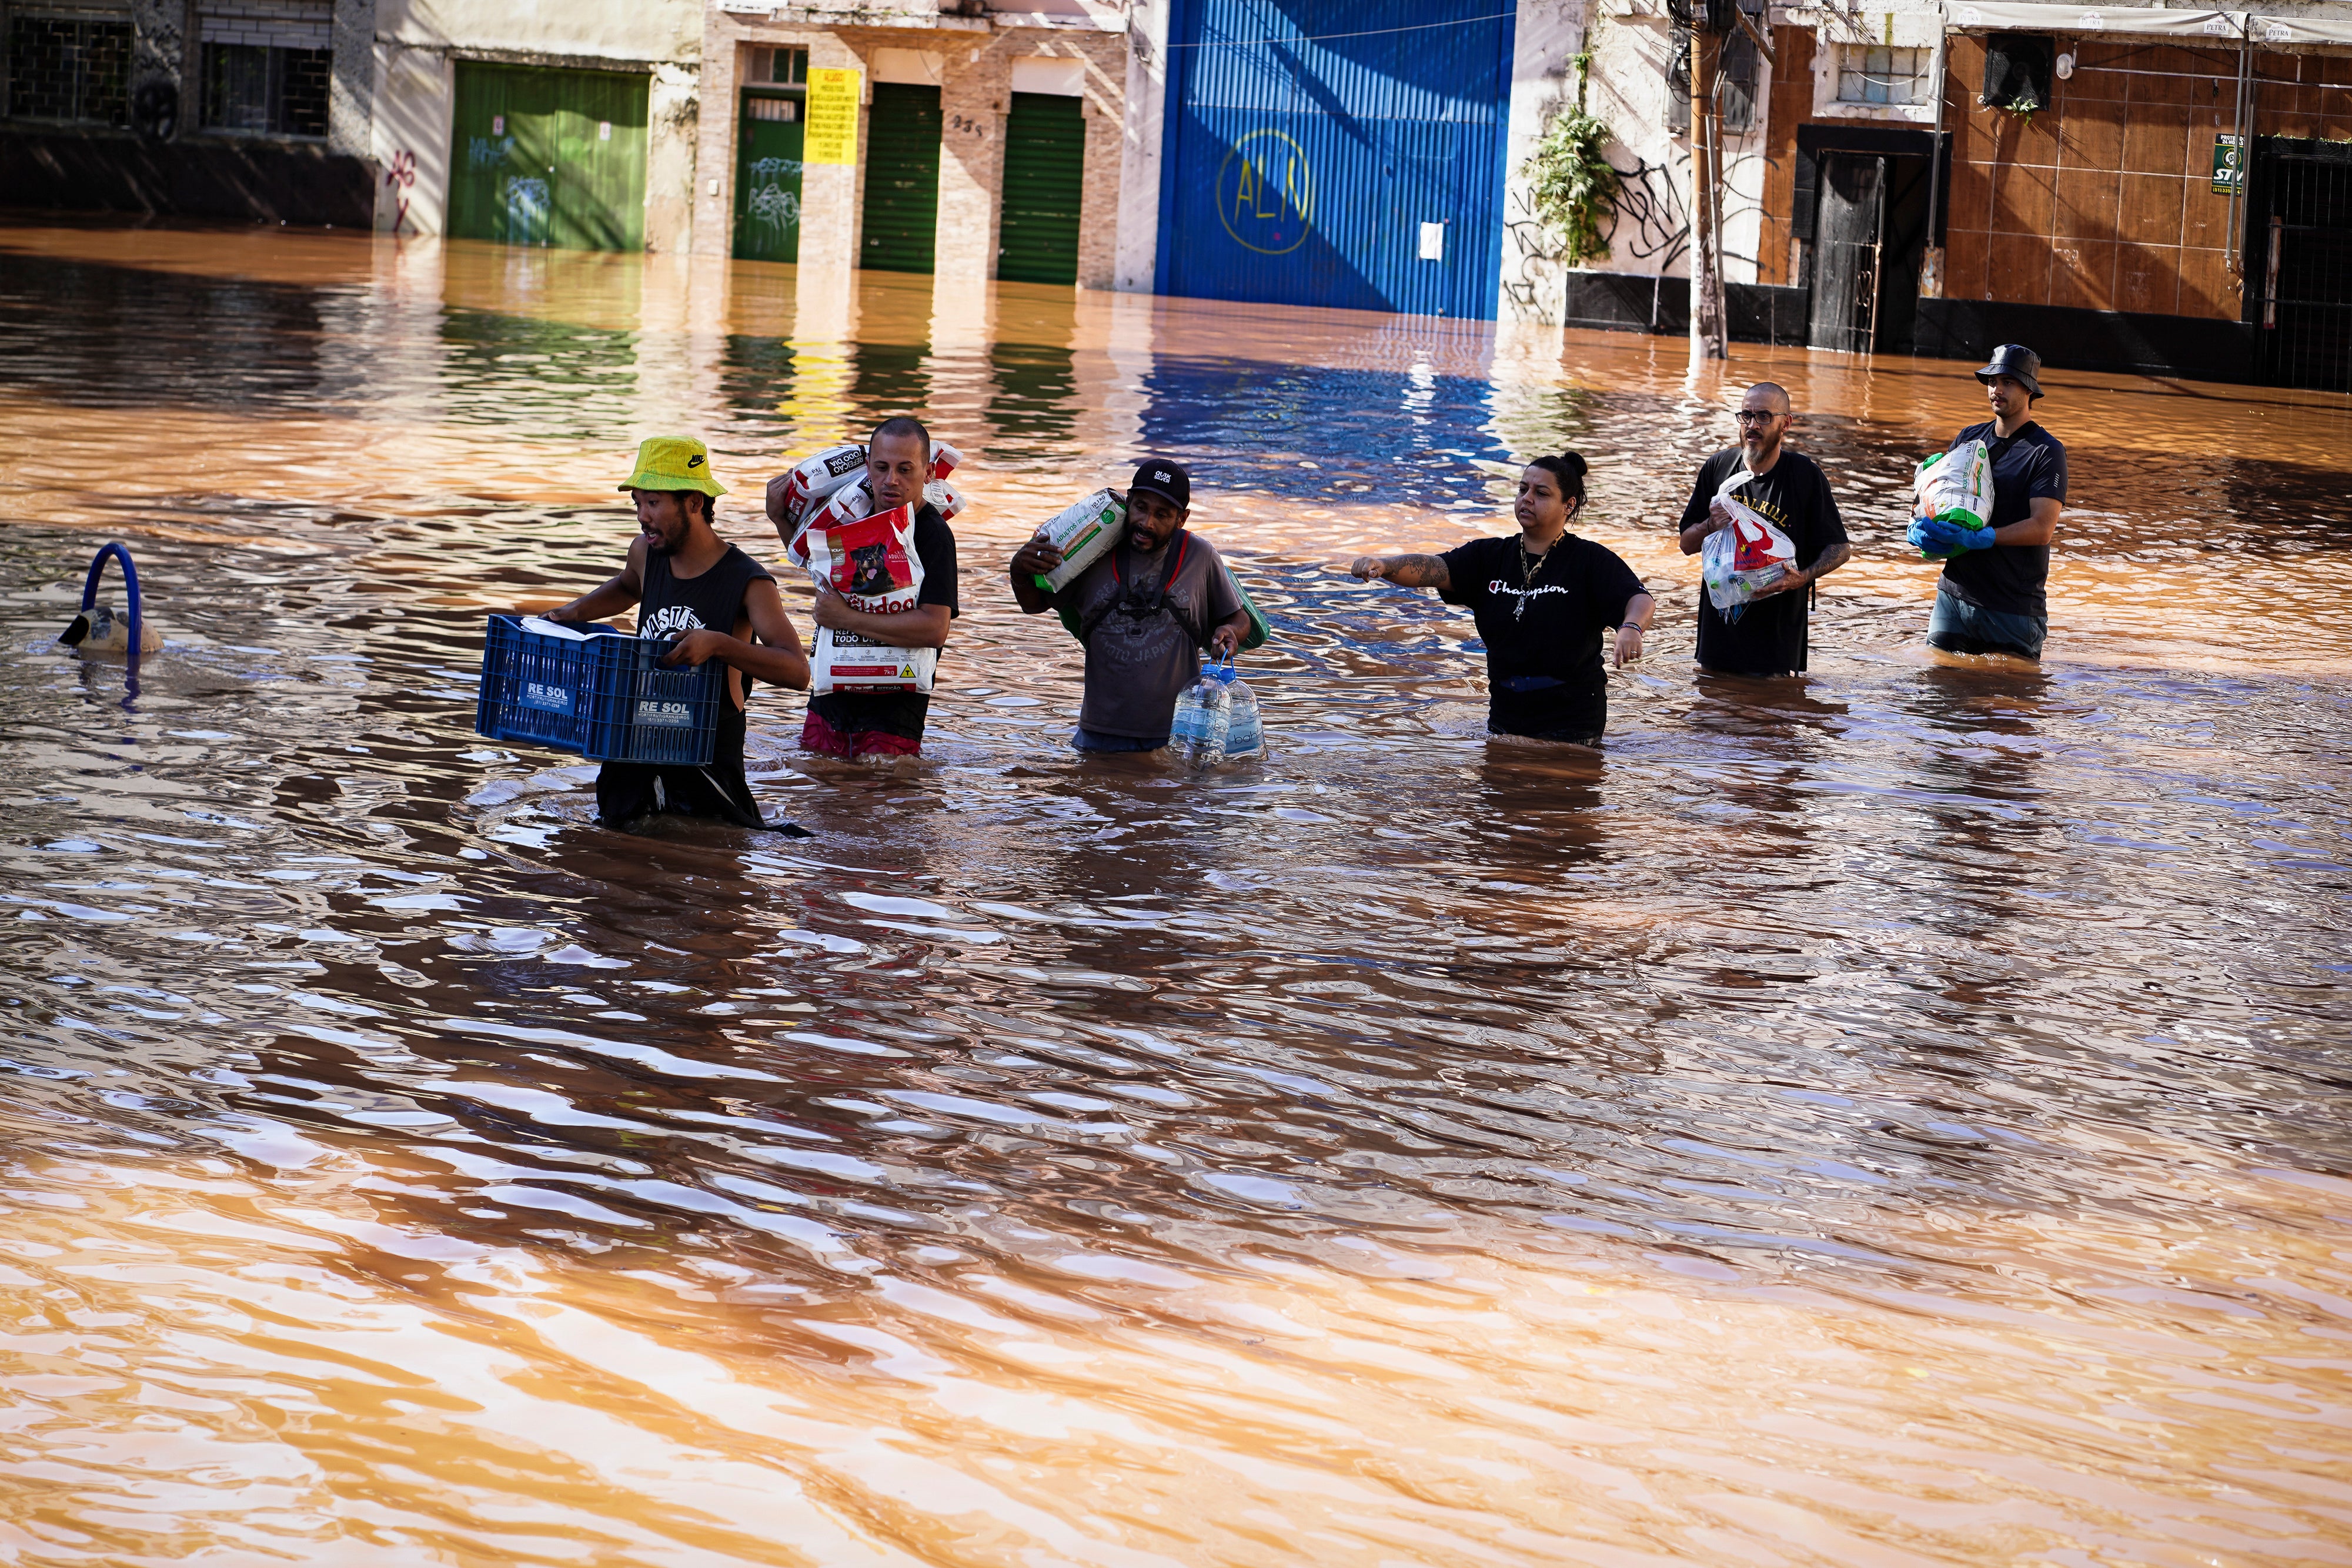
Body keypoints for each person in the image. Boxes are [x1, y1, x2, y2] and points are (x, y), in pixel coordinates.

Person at [543, 437, 810, 830]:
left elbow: (797, 671)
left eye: (653, 502)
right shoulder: (644, 553)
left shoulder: (748, 581)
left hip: (705, 764)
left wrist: (718, 644)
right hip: (636, 743)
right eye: (637, 503)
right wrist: (574, 612)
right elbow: (627, 585)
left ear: (694, 503)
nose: (642, 516)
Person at [1348, 452, 1653, 747]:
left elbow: (1639, 599)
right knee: (1500, 795)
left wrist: (1630, 627)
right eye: (1523, 489)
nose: (1527, 498)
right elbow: (1434, 569)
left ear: (1568, 505)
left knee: (1562, 797)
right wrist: (1385, 566)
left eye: (1542, 493)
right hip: (1507, 711)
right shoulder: (1489, 556)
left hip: (1572, 715)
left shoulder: (1590, 560)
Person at [1007, 459, 1254, 753]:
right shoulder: (1093, 548)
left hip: (1179, 736)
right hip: (1099, 733)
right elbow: (1033, 606)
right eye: (1140, 508)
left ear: (1182, 519)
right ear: (1129, 500)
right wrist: (1019, 569)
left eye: (1162, 515)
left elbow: (1239, 618)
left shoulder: (1199, 556)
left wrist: (1229, 631)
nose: (1147, 523)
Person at [800, 415, 960, 759]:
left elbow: (934, 629)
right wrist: (780, 519)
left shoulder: (933, 536)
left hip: (894, 709)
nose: (892, 481)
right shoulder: (851, 518)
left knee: (883, 795)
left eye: (906, 470)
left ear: (928, 473)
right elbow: (815, 568)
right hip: (831, 697)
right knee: (818, 795)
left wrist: (847, 619)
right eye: (882, 467)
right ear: (867, 469)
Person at [1673, 381, 1850, 677]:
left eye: (1764, 417)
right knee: (1709, 715)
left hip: (1777, 646)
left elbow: (1840, 549)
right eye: (1746, 416)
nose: (1752, 425)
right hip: (1718, 640)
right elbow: (1686, 544)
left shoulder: (1805, 476)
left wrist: (1802, 579)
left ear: (1786, 424)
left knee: (1773, 716)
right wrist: (1709, 524)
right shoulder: (1718, 468)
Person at [1916, 344, 2066, 660]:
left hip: (2012, 609)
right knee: (1933, 696)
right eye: (1992, 381)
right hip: (1954, 597)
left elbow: (2042, 528)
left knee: (2008, 702)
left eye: (2008, 382)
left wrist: (1985, 537)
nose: (1997, 389)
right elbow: (1938, 498)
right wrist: (1920, 523)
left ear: (2029, 391)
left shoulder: (2046, 451)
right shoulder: (1969, 438)